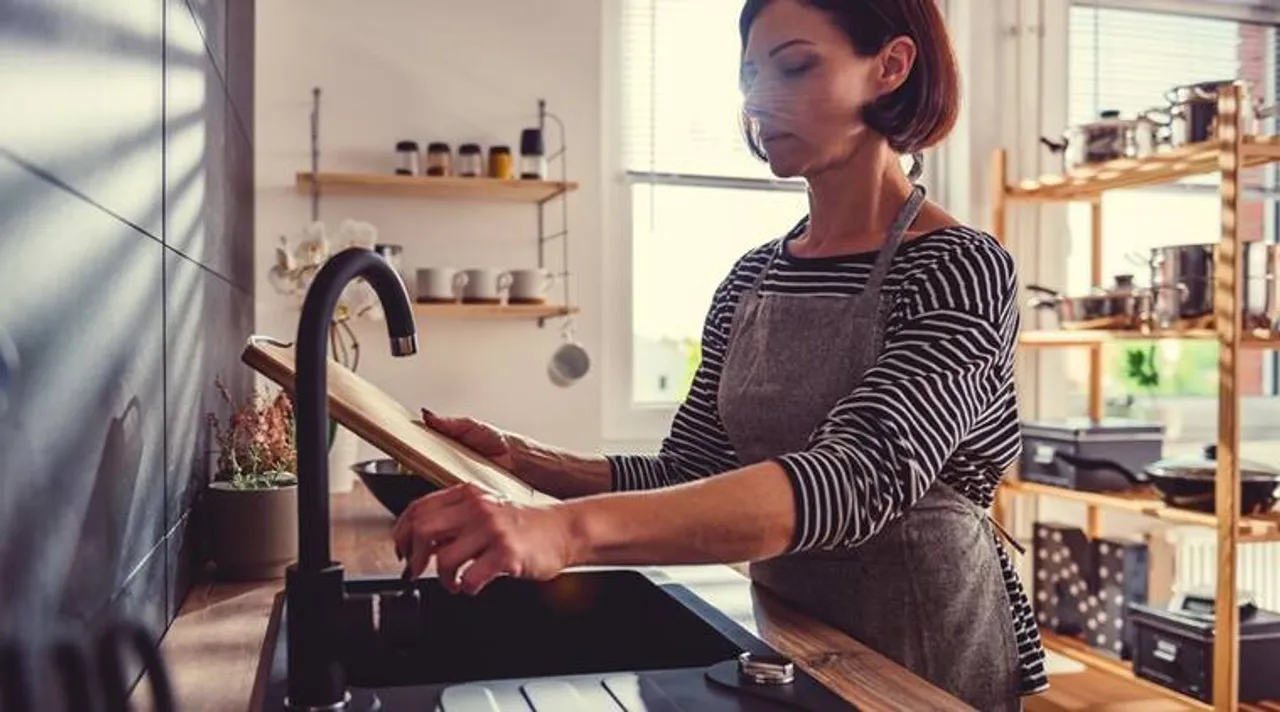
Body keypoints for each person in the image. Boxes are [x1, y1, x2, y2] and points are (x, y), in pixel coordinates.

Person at [391, 1, 1047, 709]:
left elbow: (858, 477)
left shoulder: (960, 268)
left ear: (889, 66)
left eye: (795, 65)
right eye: (750, 74)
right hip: (793, 639)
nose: (759, 99)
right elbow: (693, 469)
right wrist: (528, 464)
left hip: (922, 663)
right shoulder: (751, 277)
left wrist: (564, 531)